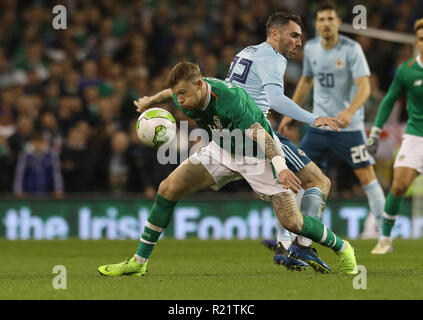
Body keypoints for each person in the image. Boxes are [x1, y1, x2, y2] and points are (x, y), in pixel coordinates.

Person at [97, 61, 358, 276]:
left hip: (260, 157)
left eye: (183, 95)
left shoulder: (230, 101)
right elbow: (169, 94)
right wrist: (149, 101)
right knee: (167, 189)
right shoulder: (184, 95)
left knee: (292, 222)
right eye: (177, 95)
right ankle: (138, 263)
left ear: (200, 85)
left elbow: (264, 138)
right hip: (222, 150)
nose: (179, 101)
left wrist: (280, 169)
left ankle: (342, 247)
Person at [225, 11, 342, 273]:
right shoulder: (273, 57)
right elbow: (276, 100)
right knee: (320, 181)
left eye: (300, 37)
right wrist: (314, 119)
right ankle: (301, 245)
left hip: (227, 135)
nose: (299, 42)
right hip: (256, 133)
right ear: (275, 34)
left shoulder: (247, 51)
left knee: (296, 186)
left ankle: (284, 245)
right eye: (294, 35)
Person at [279, 2, 386, 254]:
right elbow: (306, 80)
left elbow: (365, 88)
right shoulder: (313, 48)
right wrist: (290, 113)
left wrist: (349, 112)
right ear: (316, 24)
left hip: (349, 129)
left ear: (338, 23)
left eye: (330, 19)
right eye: (322, 19)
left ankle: (385, 236)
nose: (326, 23)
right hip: (318, 125)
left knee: (366, 177)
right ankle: (287, 237)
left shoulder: (352, 49)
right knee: (297, 173)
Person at [366, 18, 423, 254]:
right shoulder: (407, 71)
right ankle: (385, 239)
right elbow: (388, 101)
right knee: (398, 186)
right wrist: (376, 132)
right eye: (421, 38)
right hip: (415, 136)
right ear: (416, 42)